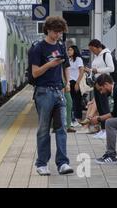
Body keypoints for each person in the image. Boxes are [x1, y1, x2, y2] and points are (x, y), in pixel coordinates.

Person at [29, 16, 74, 176]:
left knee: (61, 128)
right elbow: (35, 72)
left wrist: (67, 82)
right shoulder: (38, 48)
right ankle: (42, 164)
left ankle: (63, 163)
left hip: (59, 91)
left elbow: (66, 66)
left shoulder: (61, 46)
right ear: (48, 30)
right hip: (43, 91)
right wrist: (49, 64)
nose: (58, 35)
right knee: (43, 129)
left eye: (60, 32)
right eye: (56, 32)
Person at [84, 39, 114, 140]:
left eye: (93, 49)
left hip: (103, 84)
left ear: (98, 47)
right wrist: (90, 71)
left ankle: (107, 130)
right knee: (100, 107)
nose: (92, 52)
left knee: (104, 107)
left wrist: (97, 70)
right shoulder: (97, 56)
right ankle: (102, 129)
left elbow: (111, 68)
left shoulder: (107, 55)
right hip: (97, 83)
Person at [67, 45, 84, 125]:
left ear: (75, 51)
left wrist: (77, 83)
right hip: (69, 82)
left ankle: (78, 119)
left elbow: (81, 71)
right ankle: (72, 119)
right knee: (70, 101)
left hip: (76, 82)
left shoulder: (78, 59)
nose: (69, 51)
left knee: (77, 101)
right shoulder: (69, 60)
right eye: (68, 50)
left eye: (71, 50)